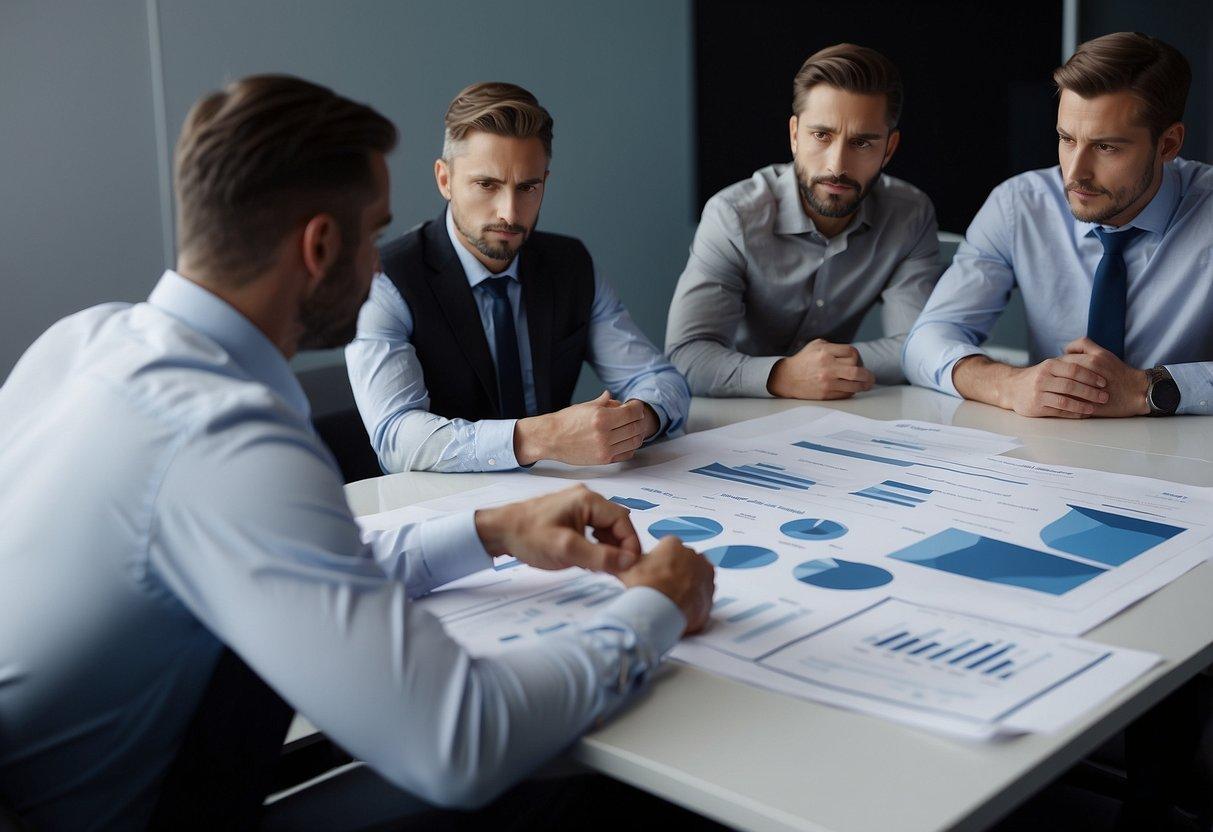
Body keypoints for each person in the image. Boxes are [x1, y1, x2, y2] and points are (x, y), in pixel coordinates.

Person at [0, 74, 715, 830]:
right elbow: (460, 744)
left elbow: (290, 562)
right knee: (563, 787)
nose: (382, 263)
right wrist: (653, 610)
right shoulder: (233, 439)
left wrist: (489, 533)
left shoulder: (78, 341)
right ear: (320, 246)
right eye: (374, 234)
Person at [345, 82, 690, 473]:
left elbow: (660, 380)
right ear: (445, 180)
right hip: (442, 511)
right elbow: (397, 439)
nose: (509, 213)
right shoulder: (387, 281)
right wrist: (545, 437)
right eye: (487, 185)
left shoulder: (570, 264)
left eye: (527, 187)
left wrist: (632, 422)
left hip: (557, 499)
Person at [902, 32, 1213, 418]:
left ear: (1168, 145)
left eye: (1106, 147)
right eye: (1067, 139)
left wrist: (1147, 388)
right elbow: (925, 341)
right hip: (1050, 456)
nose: (1076, 173)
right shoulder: (1019, 206)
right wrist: (1009, 385)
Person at [665, 43, 943, 400]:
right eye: (821, 135)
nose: (836, 165)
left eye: (861, 143)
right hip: (735, 414)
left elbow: (918, 343)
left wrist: (828, 370)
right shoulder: (733, 215)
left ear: (888, 149)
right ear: (795, 135)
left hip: (839, 415)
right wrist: (782, 375)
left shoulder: (910, 214)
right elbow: (687, 356)